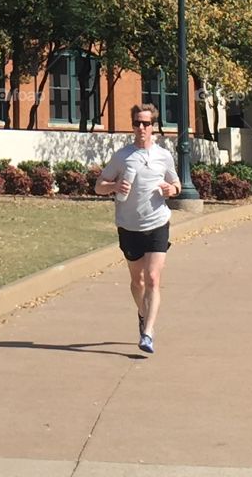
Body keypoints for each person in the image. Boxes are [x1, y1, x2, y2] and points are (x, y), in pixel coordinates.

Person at [95, 103, 181, 354]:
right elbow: (98, 185)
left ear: (153, 126)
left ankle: (148, 333)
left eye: (145, 123)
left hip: (157, 222)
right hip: (129, 226)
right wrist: (114, 186)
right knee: (138, 280)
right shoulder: (122, 156)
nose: (141, 128)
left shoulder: (163, 155)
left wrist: (171, 189)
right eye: (136, 123)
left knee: (153, 278)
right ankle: (142, 314)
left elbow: (175, 183)